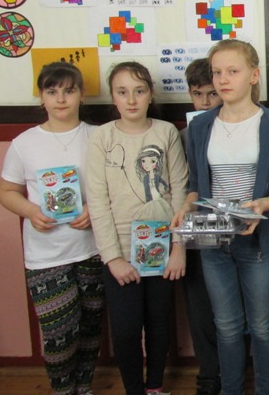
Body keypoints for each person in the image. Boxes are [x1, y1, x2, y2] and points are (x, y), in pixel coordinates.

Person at [172, 39, 269, 395]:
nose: (223, 79)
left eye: (232, 71)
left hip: (258, 242)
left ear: (254, 75)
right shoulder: (201, 127)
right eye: (217, 72)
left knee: (261, 326)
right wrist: (187, 205)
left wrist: (264, 204)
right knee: (226, 325)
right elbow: (197, 186)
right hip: (213, 240)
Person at [0, 62, 104, 395]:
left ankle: (83, 387)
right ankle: (62, 390)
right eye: (52, 91)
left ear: (81, 95)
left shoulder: (98, 136)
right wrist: (31, 211)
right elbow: (6, 191)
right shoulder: (24, 143)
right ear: (41, 97)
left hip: (94, 249)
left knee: (90, 326)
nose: (60, 99)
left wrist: (93, 208)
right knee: (60, 332)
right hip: (46, 254)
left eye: (69, 91)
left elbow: (114, 187)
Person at [85, 62, 189, 395]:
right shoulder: (102, 137)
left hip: (162, 249)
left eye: (139, 91)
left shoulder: (166, 132)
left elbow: (180, 192)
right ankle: (134, 389)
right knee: (126, 329)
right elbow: (97, 201)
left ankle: (155, 386)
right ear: (113, 96)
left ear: (150, 94)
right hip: (120, 252)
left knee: (159, 323)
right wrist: (113, 257)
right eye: (123, 92)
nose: (131, 100)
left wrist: (179, 247)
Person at [180, 58, 222, 395]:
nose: (205, 102)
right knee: (201, 305)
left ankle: (234, 368)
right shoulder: (182, 135)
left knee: (234, 305)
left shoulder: (239, 127)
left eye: (212, 94)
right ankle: (209, 373)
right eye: (198, 95)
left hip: (229, 224)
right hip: (195, 227)